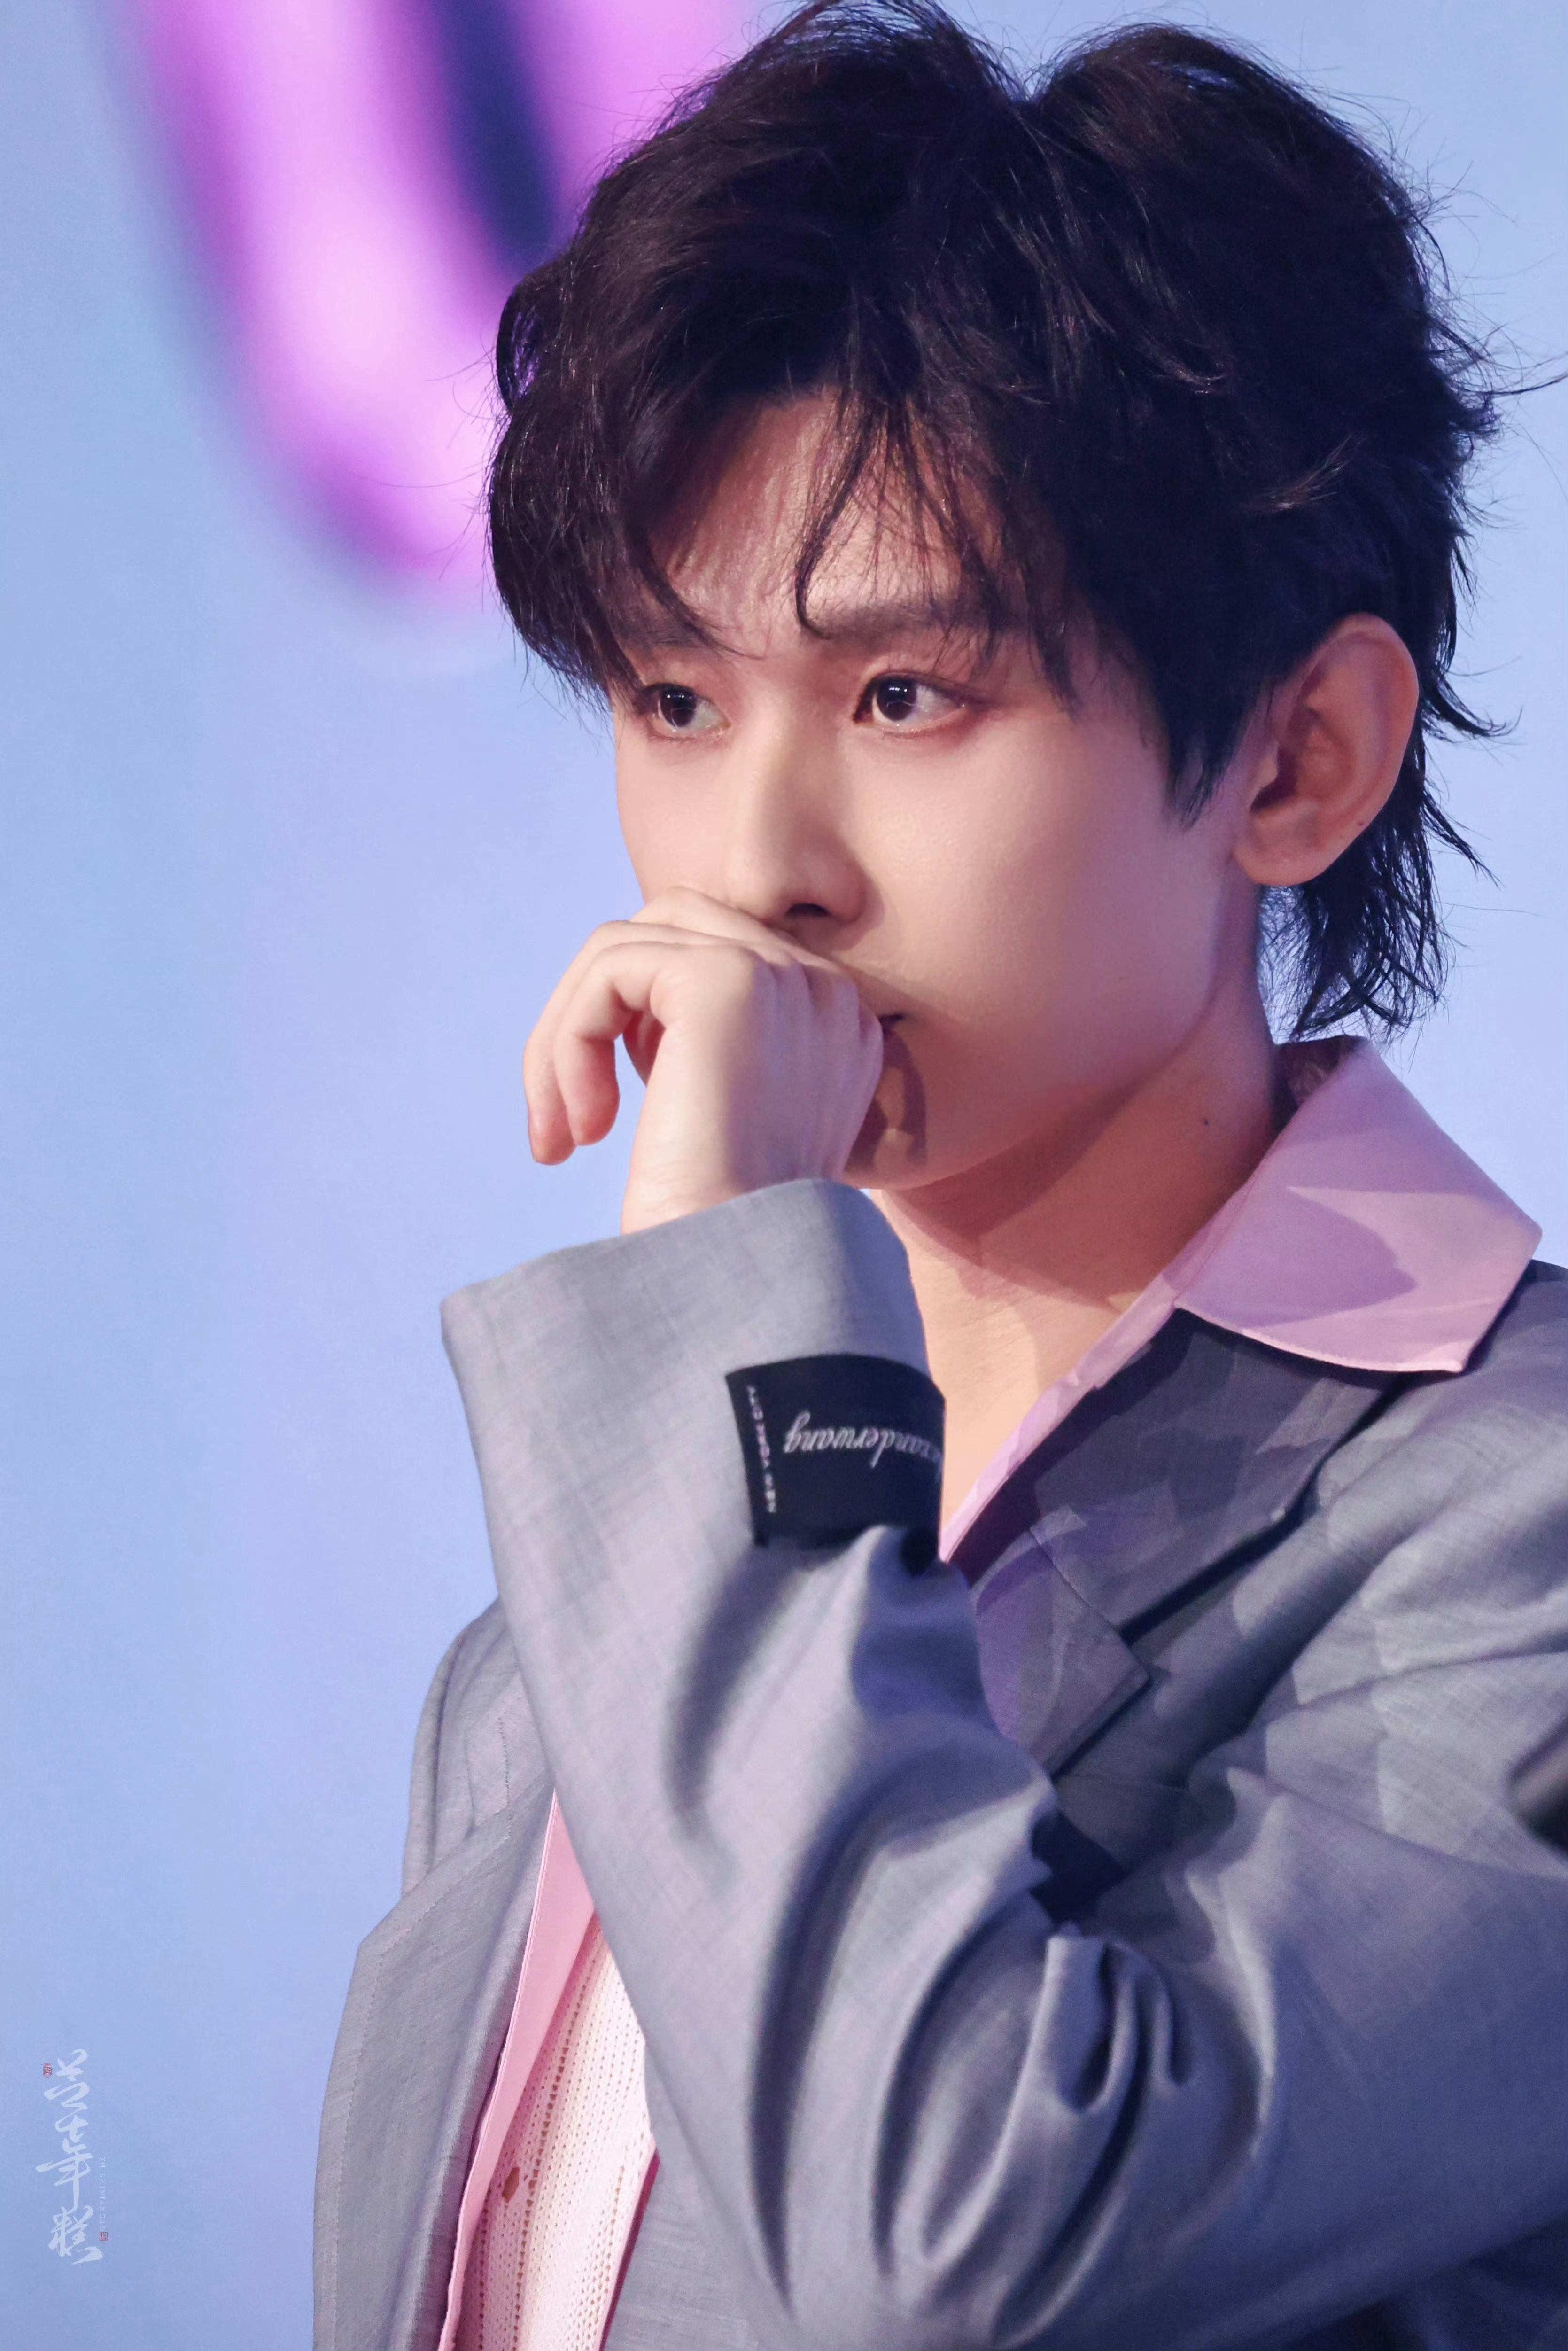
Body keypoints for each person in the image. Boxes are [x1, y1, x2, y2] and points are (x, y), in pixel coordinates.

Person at [313, 6, 1568, 2346]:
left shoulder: (1518, 1522)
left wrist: (718, 1300)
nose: (752, 866)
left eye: (903, 699)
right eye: (675, 702)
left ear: (1298, 760)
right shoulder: (585, 1612)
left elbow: (966, 2244)